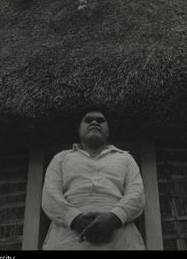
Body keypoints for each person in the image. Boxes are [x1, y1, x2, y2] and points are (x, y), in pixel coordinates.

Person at [41, 106, 146, 250]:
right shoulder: (61, 158)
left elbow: (137, 194)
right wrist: (76, 220)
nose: (94, 122)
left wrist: (114, 218)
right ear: (79, 130)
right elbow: (50, 196)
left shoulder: (126, 158)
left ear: (108, 131)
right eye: (88, 120)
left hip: (119, 238)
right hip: (68, 238)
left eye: (100, 120)